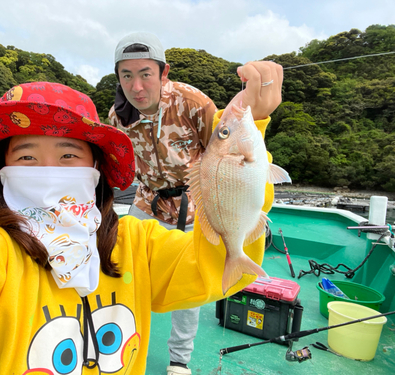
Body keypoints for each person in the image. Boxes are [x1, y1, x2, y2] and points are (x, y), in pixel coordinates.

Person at [0, 81, 271, 375]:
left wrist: (251, 125)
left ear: (95, 171)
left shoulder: (139, 246)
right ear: (3, 171)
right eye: (27, 157)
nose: (48, 172)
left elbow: (216, 265)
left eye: (68, 155)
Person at [109, 32, 282, 375]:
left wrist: (257, 113)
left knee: (187, 285)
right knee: (124, 271)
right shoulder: (118, 114)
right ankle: (121, 342)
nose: (137, 85)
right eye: (126, 75)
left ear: (163, 72)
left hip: (194, 206)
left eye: (145, 73)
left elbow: (225, 152)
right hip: (145, 202)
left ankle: (179, 359)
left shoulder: (192, 101)